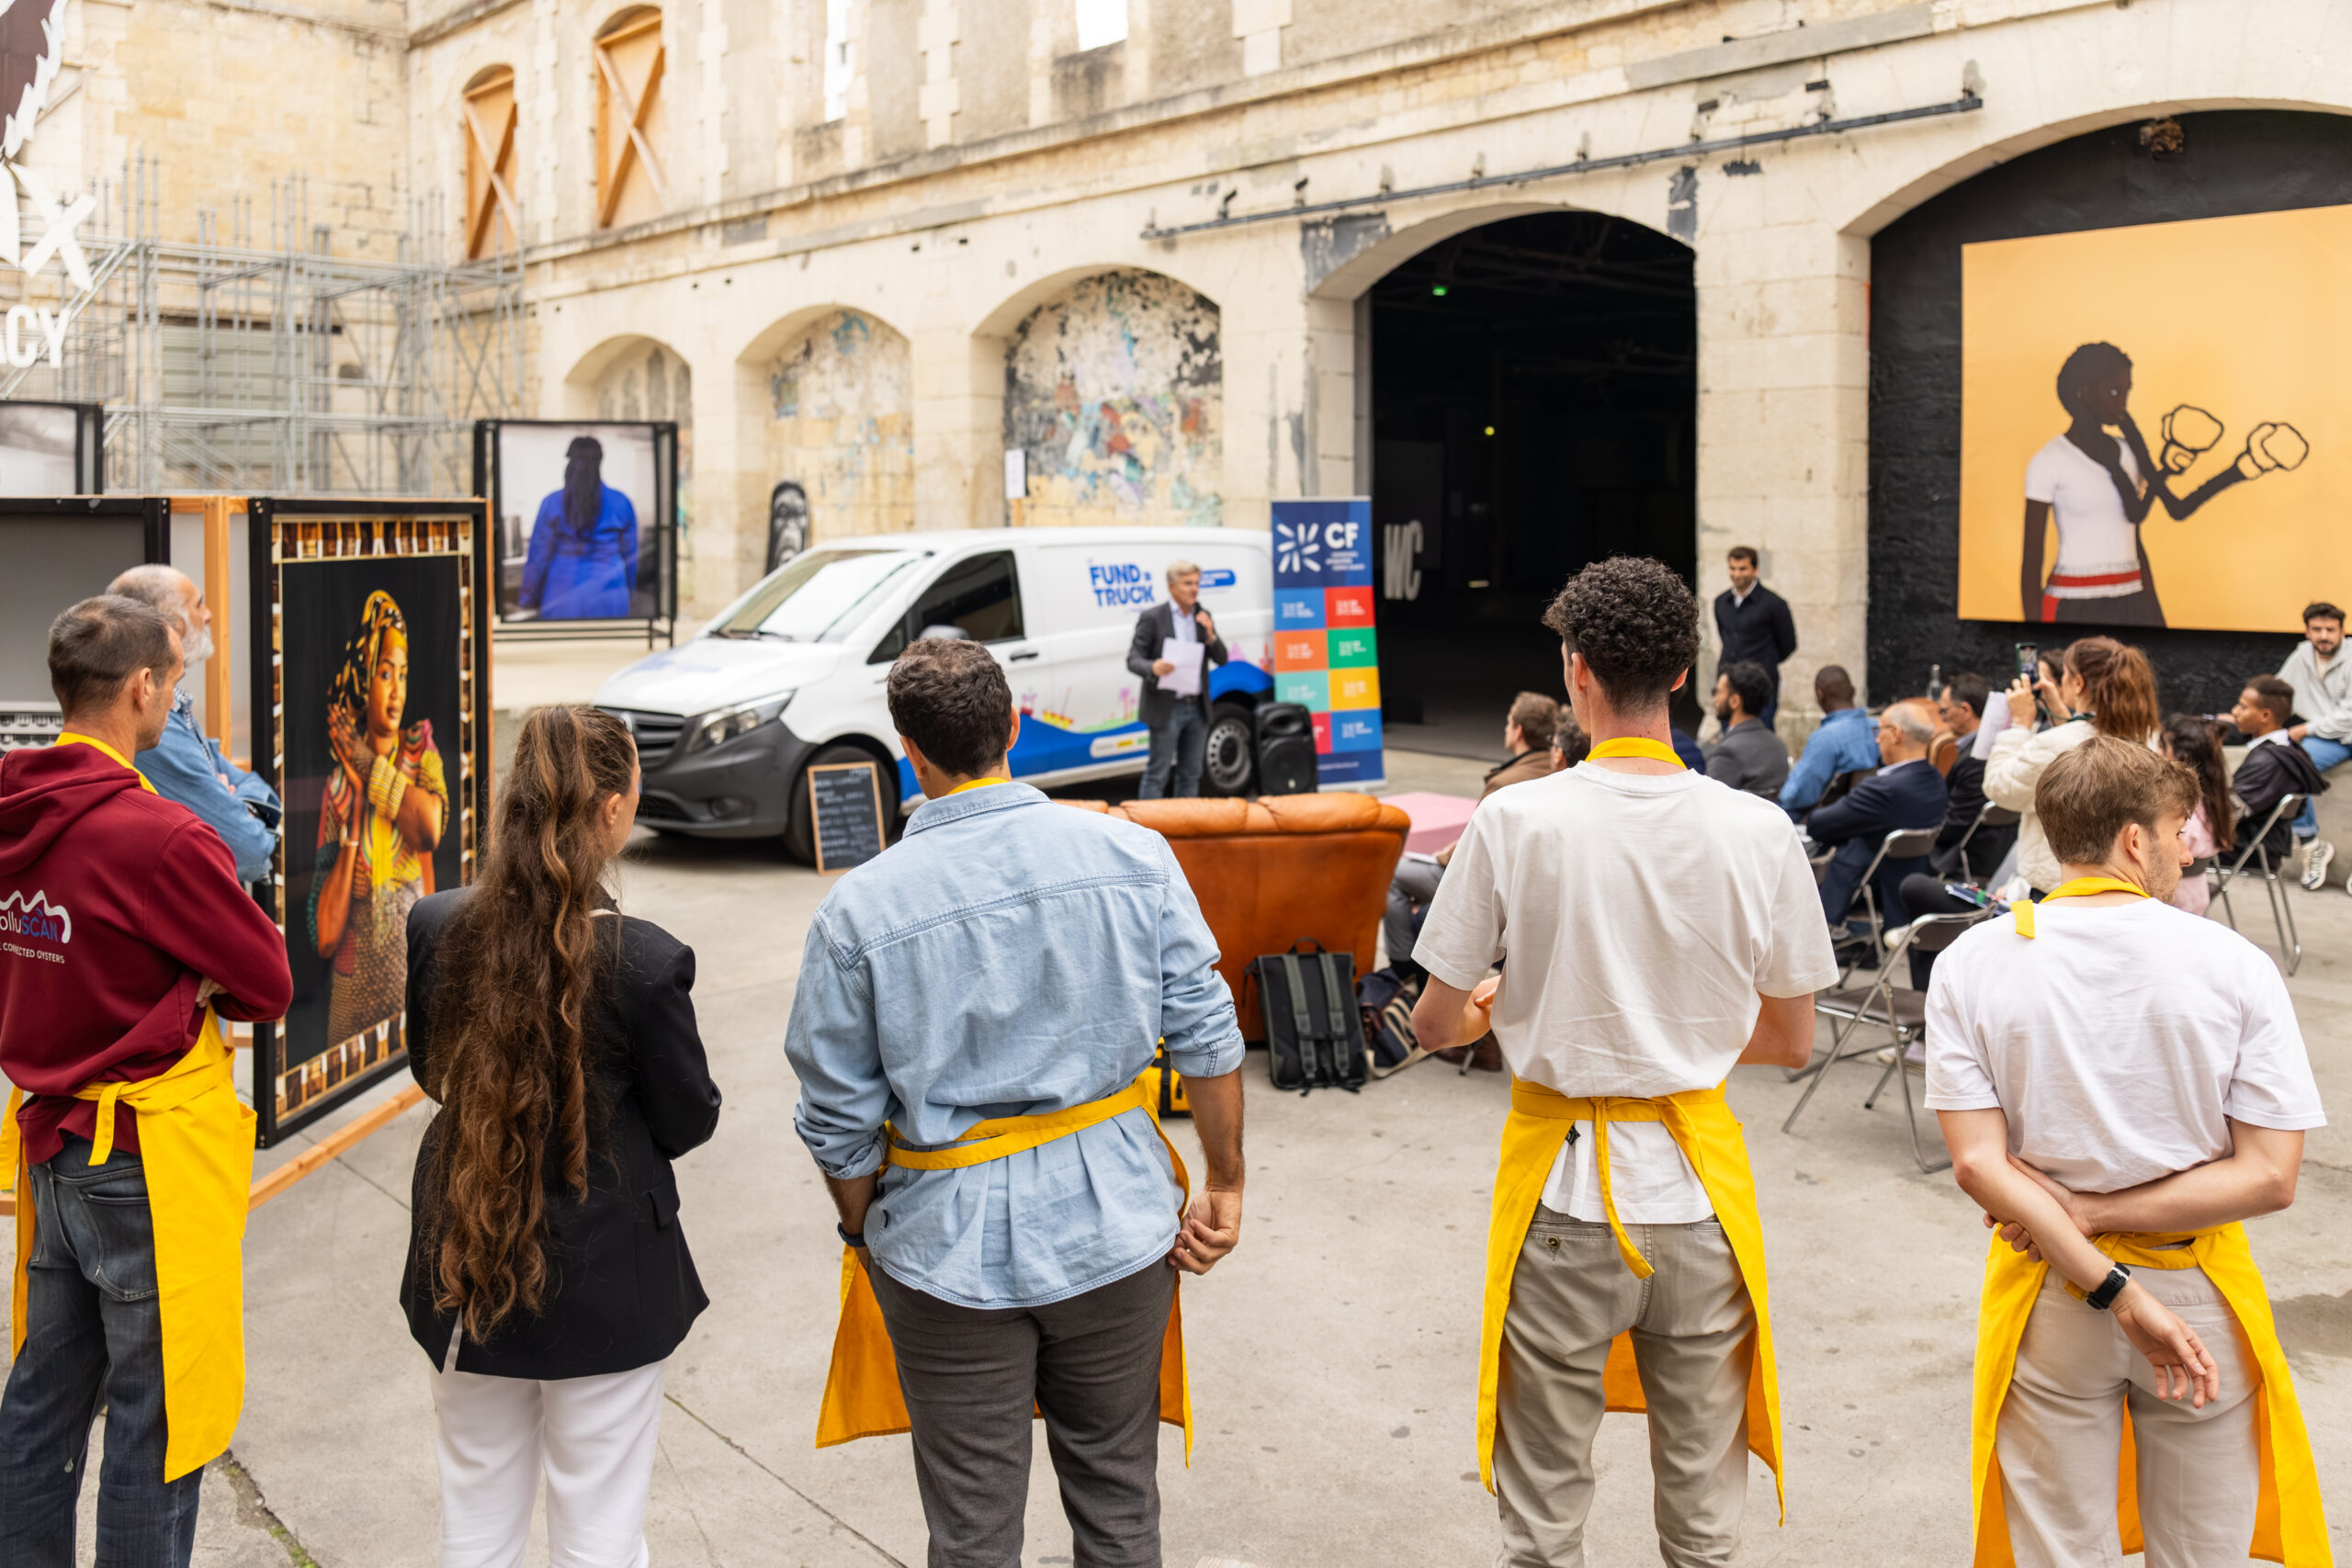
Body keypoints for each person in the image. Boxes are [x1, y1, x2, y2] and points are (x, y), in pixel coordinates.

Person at [1408, 556, 1834, 1568]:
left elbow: (1431, 1027)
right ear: (1684, 675)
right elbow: (1789, 1039)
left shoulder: (1516, 819)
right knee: (1700, 1515)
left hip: (1561, 1197)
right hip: (1698, 1194)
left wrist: (1498, 1009)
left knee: (1545, 1514)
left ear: (1575, 674)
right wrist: (1678, 1032)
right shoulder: (1758, 830)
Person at [786, 637, 1247, 1565]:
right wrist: (1224, 1182)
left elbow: (836, 1119)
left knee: (971, 1530)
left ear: (908, 751)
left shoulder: (857, 909)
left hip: (940, 1252)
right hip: (1118, 1228)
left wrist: (860, 1227)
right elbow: (1206, 1029)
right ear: (1010, 728)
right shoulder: (1132, 853)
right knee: (1120, 1503)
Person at [1926, 736, 2327, 1568]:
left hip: (2052, 1287)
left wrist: (2087, 1233)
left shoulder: (1971, 961)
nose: (2188, 848)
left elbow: (1977, 1165)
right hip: (2197, 1285)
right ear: (2134, 841)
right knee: (2201, 1549)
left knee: (2057, 1545)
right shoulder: (2235, 965)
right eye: (2182, 830)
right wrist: (2109, 1223)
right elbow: (2269, 1175)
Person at [0, 595, 292, 1565]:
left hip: (49, 1147)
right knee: (156, 1418)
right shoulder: (159, 839)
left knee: (42, 1401)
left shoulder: (13, 810)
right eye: (174, 680)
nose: (176, 696)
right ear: (140, 690)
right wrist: (184, 984)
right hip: (140, 1169)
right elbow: (268, 982)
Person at [401, 705, 720, 1568]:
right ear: (613, 809)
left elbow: (435, 1074)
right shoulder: (647, 961)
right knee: (602, 1532)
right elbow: (688, 1118)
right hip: (613, 1274)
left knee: (474, 1521)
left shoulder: (437, 925)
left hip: (466, 1258)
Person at [2020, 342, 2304, 626]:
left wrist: (2241, 469)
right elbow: (2031, 561)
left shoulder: (2128, 454)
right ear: (2083, 391)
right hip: (2072, 602)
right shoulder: (2050, 461)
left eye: (2127, 392)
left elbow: (2158, 517)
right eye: (2113, 391)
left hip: (2131, 597)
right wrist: (2033, 640)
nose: (2122, 403)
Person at [311, 590, 448, 1049]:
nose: (395, 690)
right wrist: (353, 828)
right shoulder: (336, 787)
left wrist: (363, 761)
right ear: (363, 679)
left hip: (417, 977)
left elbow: (427, 828)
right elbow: (326, 937)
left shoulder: (420, 753)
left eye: (402, 675)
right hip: (352, 998)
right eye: (384, 673)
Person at [105, 565, 281, 884]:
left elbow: (249, 788)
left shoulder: (173, 704)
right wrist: (239, 805)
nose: (209, 614)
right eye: (198, 604)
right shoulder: (149, 719)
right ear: (168, 622)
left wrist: (234, 797)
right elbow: (247, 849)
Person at [1383, 692, 1561, 965]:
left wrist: (1446, 854)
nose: (1505, 728)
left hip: (1490, 885)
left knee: (1394, 876)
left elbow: (1475, 851)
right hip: (1529, 883)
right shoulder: (1558, 770)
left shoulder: (1504, 783)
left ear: (1519, 731)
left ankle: (1401, 965)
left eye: (1508, 721)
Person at [1984, 636, 2159, 894]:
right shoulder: (2147, 738)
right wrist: (2063, 713)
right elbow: (2087, 745)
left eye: (2065, 674)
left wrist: (2020, 723)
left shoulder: (2055, 745)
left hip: (2057, 888)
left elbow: (2000, 788)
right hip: (2121, 885)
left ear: (2078, 683)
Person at [1807, 699, 1948, 944]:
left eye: (1878, 730)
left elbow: (1818, 825)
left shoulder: (1883, 789)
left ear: (1895, 734)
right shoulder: (1934, 778)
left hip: (1869, 889)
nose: (1876, 739)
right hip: (1907, 885)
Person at [1125, 558, 1228, 799]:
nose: (1194, 588)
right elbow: (1133, 659)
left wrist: (1211, 634)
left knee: (1191, 773)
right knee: (1158, 773)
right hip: (1166, 707)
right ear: (1172, 587)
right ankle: (1146, 830)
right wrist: (1154, 667)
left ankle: (1184, 828)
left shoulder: (1202, 616)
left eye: (1196, 583)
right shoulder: (1153, 617)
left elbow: (1222, 658)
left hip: (1197, 708)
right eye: (1187, 583)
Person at [521, 434, 640, 620]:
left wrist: (527, 599)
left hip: (561, 596)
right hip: (610, 595)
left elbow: (539, 558)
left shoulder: (551, 503)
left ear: (569, 462)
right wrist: (631, 593)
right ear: (600, 462)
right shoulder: (621, 502)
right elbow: (631, 557)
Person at [2274, 600, 2349, 886]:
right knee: (2290, 764)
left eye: (2330, 629)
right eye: (2317, 629)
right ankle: (2311, 845)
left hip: (2334, 731)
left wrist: (2305, 729)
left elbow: (2350, 717)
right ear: (2307, 632)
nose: (2324, 636)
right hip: (2329, 739)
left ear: (2342, 631)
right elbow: (2279, 691)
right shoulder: (2302, 655)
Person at [2227, 674, 2324, 872]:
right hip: (2260, 844)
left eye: (2243, 707)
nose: (2234, 712)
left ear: (2265, 715)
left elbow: (2230, 811)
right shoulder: (2287, 749)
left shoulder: (2269, 761)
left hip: (2246, 849)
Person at [1932, 672, 2014, 880]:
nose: (1942, 719)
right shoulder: (2004, 745)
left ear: (1965, 710)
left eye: (1944, 711)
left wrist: (1925, 836)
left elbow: (1955, 824)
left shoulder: (1977, 759)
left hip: (1968, 859)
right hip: (1998, 853)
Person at [1713, 546, 1797, 727]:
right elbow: (1725, 637)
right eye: (1732, 568)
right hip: (1728, 682)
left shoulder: (1775, 604)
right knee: (1728, 737)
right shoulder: (1720, 602)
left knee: (1760, 736)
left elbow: (1788, 644)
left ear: (1755, 569)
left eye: (1743, 568)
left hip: (1761, 684)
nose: (1737, 574)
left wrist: (1765, 660)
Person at [1778, 663, 1879, 816]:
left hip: (1828, 820)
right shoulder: (1878, 728)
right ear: (1853, 691)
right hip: (1867, 815)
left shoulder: (1826, 738)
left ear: (1820, 695)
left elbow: (1798, 795)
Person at [2161, 714, 2233, 917]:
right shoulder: (2213, 800)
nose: (2156, 752)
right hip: (2194, 897)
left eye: (2162, 745)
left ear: (2182, 758)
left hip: (2174, 904)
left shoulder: (2184, 811)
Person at [1703, 660, 1790, 799]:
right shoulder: (1779, 745)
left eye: (1717, 692)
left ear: (1734, 701)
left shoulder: (1728, 752)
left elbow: (1708, 802)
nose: (1714, 699)